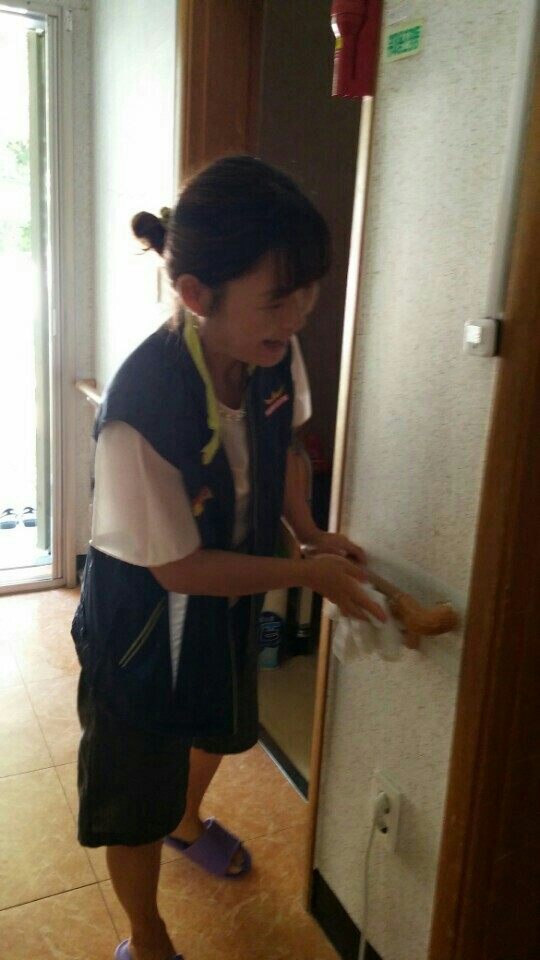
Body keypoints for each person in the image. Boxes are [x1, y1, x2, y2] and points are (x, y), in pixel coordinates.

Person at [72, 155, 385, 960]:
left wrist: (307, 530)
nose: (298, 315)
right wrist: (305, 574)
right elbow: (176, 570)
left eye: (307, 291)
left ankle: (186, 820)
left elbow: (284, 448)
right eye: (278, 298)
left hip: (228, 592)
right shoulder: (140, 409)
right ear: (195, 295)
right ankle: (146, 936)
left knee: (219, 722)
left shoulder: (271, 348)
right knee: (132, 799)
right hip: (143, 628)